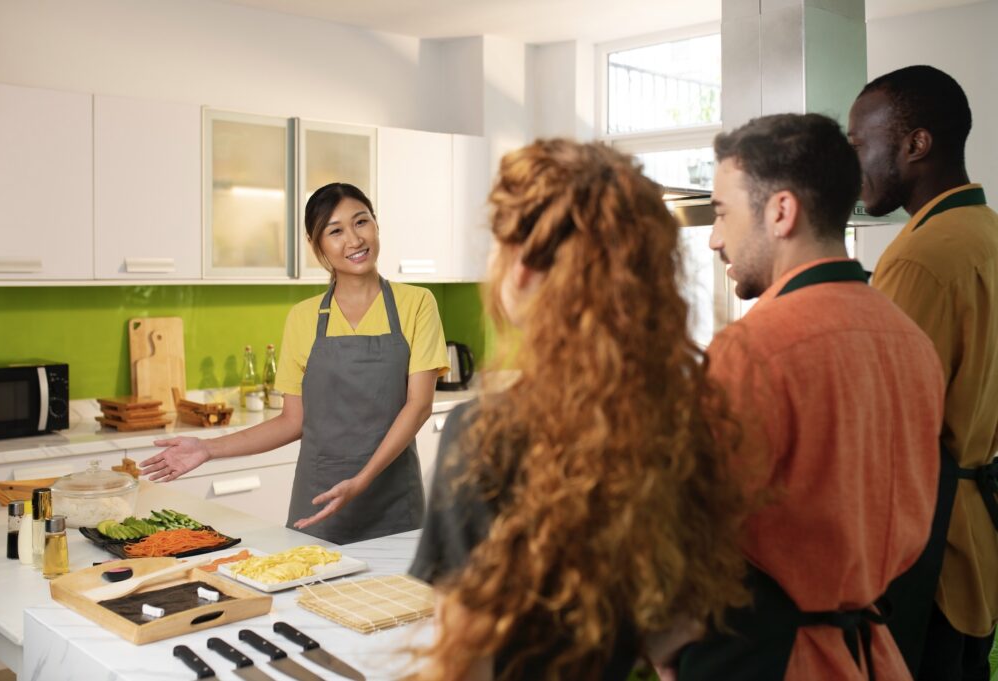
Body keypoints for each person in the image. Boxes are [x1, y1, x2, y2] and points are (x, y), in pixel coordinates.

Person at [408, 139, 753, 681]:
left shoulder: (485, 434)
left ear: (521, 268)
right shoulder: (680, 421)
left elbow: (463, 661)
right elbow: (674, 638)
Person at [671, 113, 945, 681]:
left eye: (722, 213)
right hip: (872, 656)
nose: (715, 238)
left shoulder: (751, 350)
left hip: (765, 660)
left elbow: (686, 543)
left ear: (781, 211)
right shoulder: (911, 341)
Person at [141, 183, 449, 544]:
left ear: (376, 225)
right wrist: (210, 449)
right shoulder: (303, 318)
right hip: (317, 503)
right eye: (335, 231)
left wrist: (361, 481)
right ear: (317, 245)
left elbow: (419, 405)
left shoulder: (416, 303)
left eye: (361, 222)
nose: (353, 239)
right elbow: (292, 421)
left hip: (394, 504)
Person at [849, 65, 998, 681]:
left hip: (927, 555)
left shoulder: (917, 256)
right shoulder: (986, 234)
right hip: (978, 543)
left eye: (860, 143)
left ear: (916, 144)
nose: (852, 162)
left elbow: (887, 430)